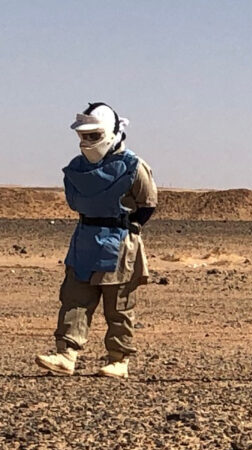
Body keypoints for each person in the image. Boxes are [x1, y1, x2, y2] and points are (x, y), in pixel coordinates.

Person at [35, 102, 157, 379]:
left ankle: (119, 359)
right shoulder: (76, 169)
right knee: (75, 299)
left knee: (119, 305)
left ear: (111, 133)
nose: (88, 142)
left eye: (94, 135)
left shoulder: (134, 167)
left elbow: (147, 205)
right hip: (85, 241)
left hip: (120, 242)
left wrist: (125, 227)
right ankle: (66, 354)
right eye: (84, 136)